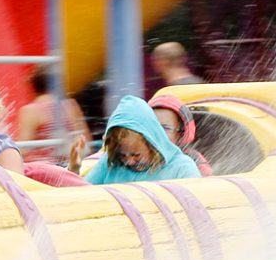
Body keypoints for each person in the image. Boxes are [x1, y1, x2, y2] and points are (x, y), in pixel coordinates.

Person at [69, 95, 200, 184]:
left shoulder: (181, 168)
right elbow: (81, 197)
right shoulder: (110, 163)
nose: (130, 161)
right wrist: (74, 169)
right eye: (122, 155)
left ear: (153, 144)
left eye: (136, 155)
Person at [17, 66, 91, 164]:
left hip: (44, 169)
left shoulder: (31, 110)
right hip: (69, 165)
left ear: (33, 87)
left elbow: (24, 149)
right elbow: (85, 140)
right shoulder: (70, 105)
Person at [148, 95, 213, 176]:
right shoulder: (135, 155)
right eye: (152, 125)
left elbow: (205, 181)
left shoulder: (192, 159)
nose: (158, 132)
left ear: (180, 135)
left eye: (165, 128)